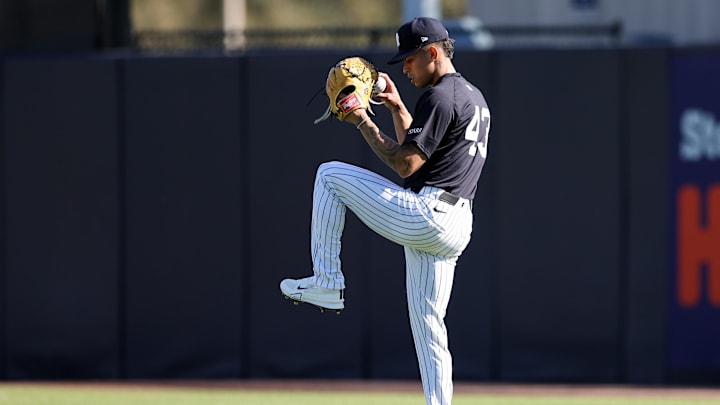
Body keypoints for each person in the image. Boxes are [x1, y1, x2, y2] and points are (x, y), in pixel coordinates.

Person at [280, 17, 491, 405]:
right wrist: (395, 105)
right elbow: (423, 159)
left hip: (428, 213)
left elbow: (406, 166)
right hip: (457, 222)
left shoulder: (440, 96)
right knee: (430, 328)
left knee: (329, 176)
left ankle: (327, 280)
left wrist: (361, 118)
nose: (404, 68)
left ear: (432, 52)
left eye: (409, 59)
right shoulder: (470, 95)